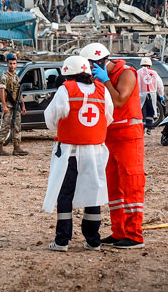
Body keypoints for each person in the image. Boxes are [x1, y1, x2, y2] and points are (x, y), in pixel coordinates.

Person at [43, 56, 113, 252]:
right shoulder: (102, 90)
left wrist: (69, 128)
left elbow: (51, 118)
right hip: (96, 151)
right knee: (94, 194)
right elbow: (108, 117)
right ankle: (93, 240)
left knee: (65, 194)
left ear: (68, 74)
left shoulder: (66, 89)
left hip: (70, 152)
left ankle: (62, 240)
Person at [80, 42, 145, 249]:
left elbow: (119, 101)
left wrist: (106, 81)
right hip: (109, 137)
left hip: (128, 137)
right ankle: (119, 232)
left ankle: (134, 235)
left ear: (99, 62)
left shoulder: (127, 73)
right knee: (114, 188)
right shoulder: (98, 79)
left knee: (132, 185)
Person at [0, 53, 28, 156]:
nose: (12, 65)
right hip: (9, 105)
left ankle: (16, 147)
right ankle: (0, 148)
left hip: (16, 106)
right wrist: (4, 105)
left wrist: (22, 105)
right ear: (7, 64)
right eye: (10, 63)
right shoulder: (5, 76)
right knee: (5, 126)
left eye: (14, 63)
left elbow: (19, 92)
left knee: (17, 126)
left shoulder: (16, 77)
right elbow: (2, 90)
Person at [136, 57, 164, 135]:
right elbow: (160, 85)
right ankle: (149, 127)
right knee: (150, 111)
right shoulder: (154, 73)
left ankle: (142, 128)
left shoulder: (138, 72)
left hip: (141, 95)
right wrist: (161, 95)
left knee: (142, 111)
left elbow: (136, 84)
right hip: (152, 95)